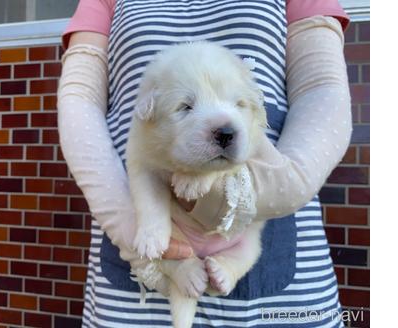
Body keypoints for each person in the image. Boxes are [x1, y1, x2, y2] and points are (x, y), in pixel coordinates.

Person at [57, 0, 352, 326]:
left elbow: (322, 88)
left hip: (277, 273)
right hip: (136, 274)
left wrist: (285, 187)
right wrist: (126, 221)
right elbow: (78, 98)